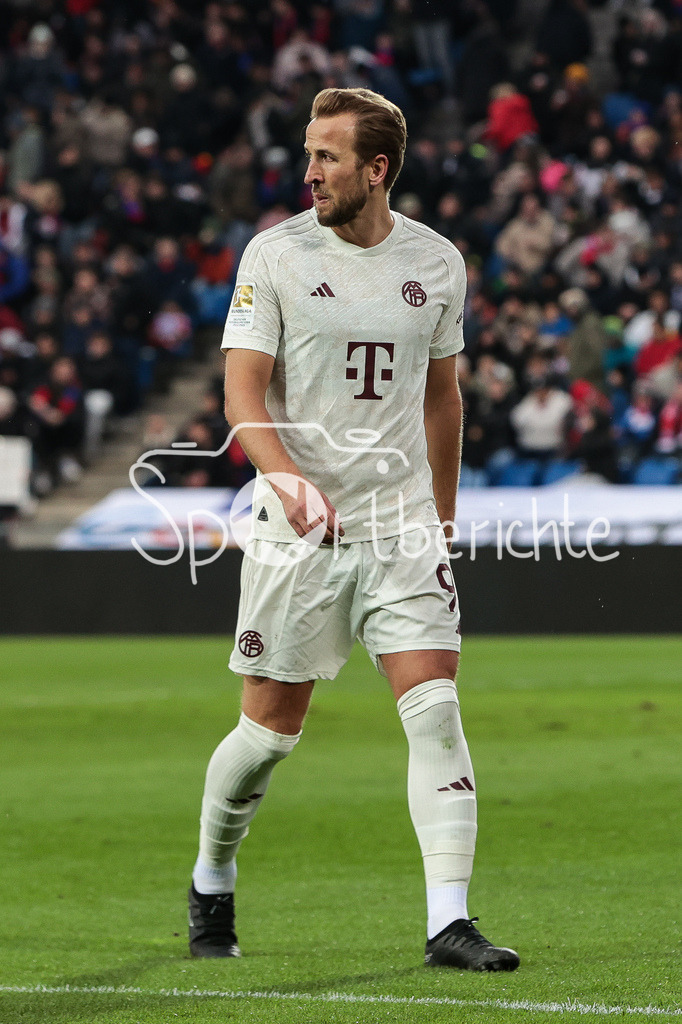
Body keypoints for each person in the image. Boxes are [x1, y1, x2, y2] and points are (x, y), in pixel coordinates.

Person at [188, 87, 520, 973]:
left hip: (401, 522)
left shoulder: (438, 262)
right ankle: (212, 873)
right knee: (267, 735)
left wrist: (440, 522)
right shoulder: (276, 255)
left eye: (327, 156)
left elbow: (442, 397)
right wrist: (284, 476)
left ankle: (448, 920)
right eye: (309, 153)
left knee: (437, 710)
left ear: (376, 170)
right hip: (299, 529)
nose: (310, 172)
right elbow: (242, 395)